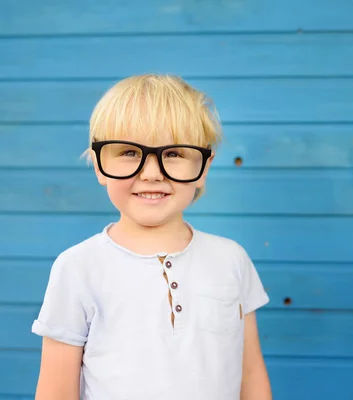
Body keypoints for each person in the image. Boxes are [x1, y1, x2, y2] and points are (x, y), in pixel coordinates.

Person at [31, 74, 272, 400]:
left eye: (174, 153)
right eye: (129, 152)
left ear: (203, 166)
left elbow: (251, 372)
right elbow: (56, 390)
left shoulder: (231, 259)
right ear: (100, 164)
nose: (151, 172)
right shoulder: (78, 267)